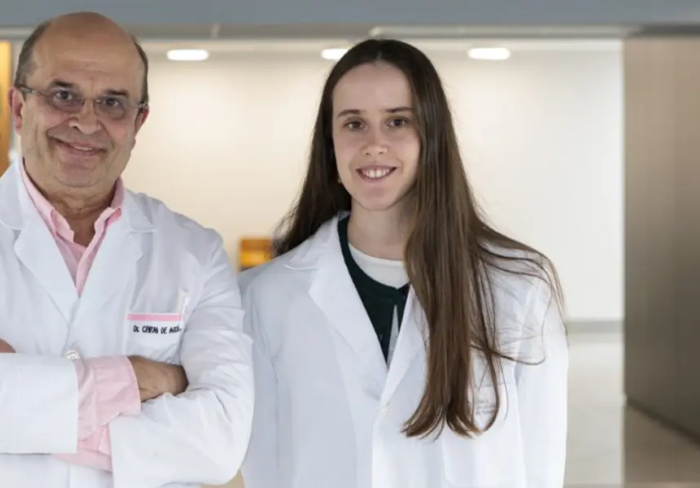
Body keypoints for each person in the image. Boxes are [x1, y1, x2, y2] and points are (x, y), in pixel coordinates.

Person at [0, 12, 253, 488]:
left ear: (138, 122)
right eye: (63, 95)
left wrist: (17, 389)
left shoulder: (195, 252)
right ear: (18, 107)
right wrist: (146, 378)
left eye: (112, 102)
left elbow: (220, 444)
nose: (86, 121)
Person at [238, 38, 568, 488]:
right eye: (354, 124)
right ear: (330, 147)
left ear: (431, 137)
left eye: (397, 122)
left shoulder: (519, 285)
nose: (374, 144)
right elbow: (264, 464)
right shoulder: (267, 295)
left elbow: (540, 464)